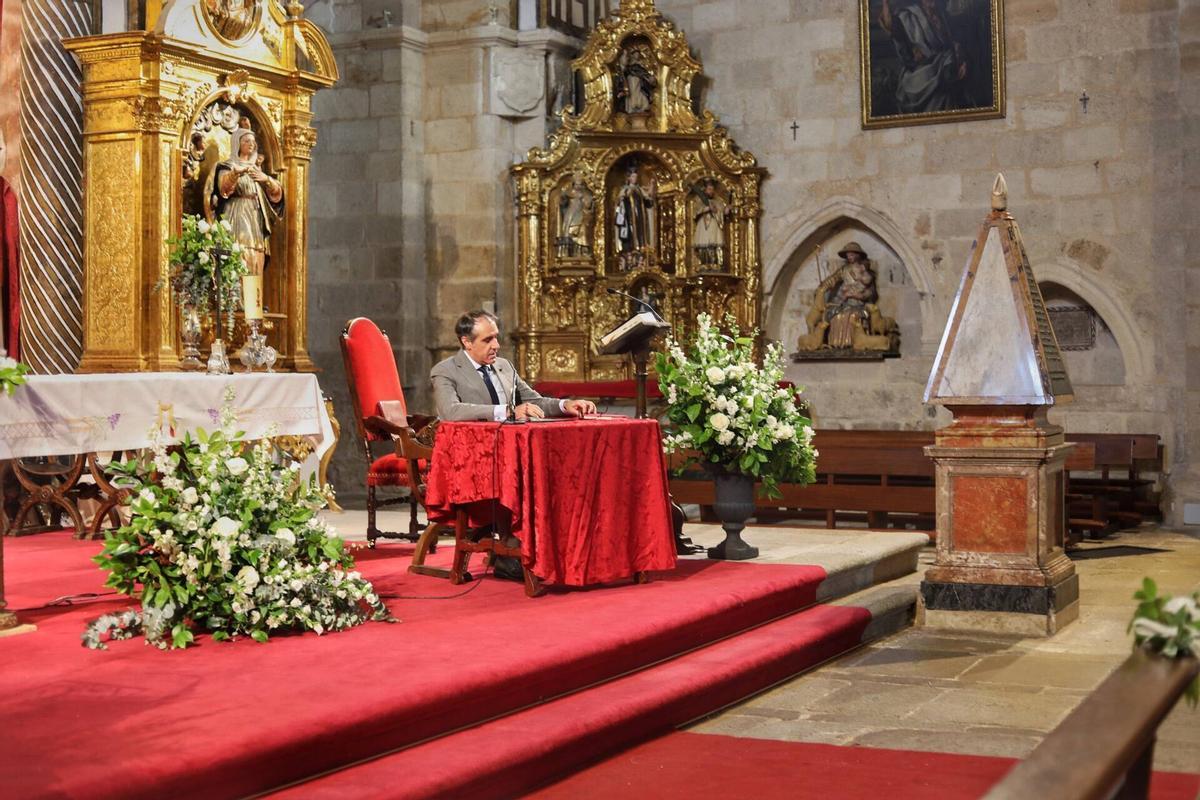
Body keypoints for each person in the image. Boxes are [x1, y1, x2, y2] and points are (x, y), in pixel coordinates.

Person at [431, 310, 597, 422]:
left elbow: (533, 401)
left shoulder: (504, 365)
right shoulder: (446, 370)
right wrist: (508, 411)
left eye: (496, 337)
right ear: (467, 342)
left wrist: (565, 405)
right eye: (488, 340)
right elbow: (451, 411)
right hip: (470, 450)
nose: (496, 345)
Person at [213, 126, 284, 276]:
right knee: (241, 250)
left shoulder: (256, 169)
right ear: (237, 144)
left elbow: (277, 194)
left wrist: (267, 179)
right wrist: (235, 174)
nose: (251, 144)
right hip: (237, 211)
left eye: (253, 141)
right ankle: (237, 294)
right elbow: (223, 189)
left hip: (255, 214)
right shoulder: (228, 166)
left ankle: (254, 294)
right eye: (246, 141)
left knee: (257, 252)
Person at [878, 0, 968, 114]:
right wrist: (885, 2)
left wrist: (961, 59)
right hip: (921, 75)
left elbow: (953, 44)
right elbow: (891, 26)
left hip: (944, 69)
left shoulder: (943, 15)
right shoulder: (909, 16)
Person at [822, 242, 879, 349]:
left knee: (852, 316)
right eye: (848, 255)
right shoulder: (844, 270)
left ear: (858, 255)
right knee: (835, 315)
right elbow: (833, 279)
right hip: (844, 303)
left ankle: (853, 343)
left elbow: (871, 292)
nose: (849, 257)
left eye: (852, 255)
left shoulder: (865, 272)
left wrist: (859, 296)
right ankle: (836, 345)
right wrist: (825, 285)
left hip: (859, 304)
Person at [613, 165, 656, 271]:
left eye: (636, 177)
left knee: (640, 236)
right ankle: (629, 257)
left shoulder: (639, 190)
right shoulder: (625, 190)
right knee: (629, 237)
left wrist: (651, 186)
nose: (635, 179)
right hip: (628, 219)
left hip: (640, 219)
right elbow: (619, 203)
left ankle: (640, 257)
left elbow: (648, 200)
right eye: (633, 176)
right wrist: (623, 198)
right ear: (629, 178)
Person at [691, 179, 729, 270]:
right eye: (709, 189)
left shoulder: (718, 201)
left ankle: (715, 264)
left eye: (712, 189)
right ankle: (703, 264)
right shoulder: (699, 200)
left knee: (714, 243)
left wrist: (725, 211)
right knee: (703, 244)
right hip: (703, 226)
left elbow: (722, 212)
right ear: (705, 190)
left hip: (713, 225)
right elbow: (695, 212)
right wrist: (706, 209)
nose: (711, 191)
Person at [556, 176, 594, 259]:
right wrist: (563, 197)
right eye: (577, 184)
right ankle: (567, 253)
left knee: (582, 233)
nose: (578, 186)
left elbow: (589, 205)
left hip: (581, 215)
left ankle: (581, 253)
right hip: (571, 215)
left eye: (580, 184)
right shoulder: (569, 192)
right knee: (568, 233)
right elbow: (562, 202)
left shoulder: (586, 193)